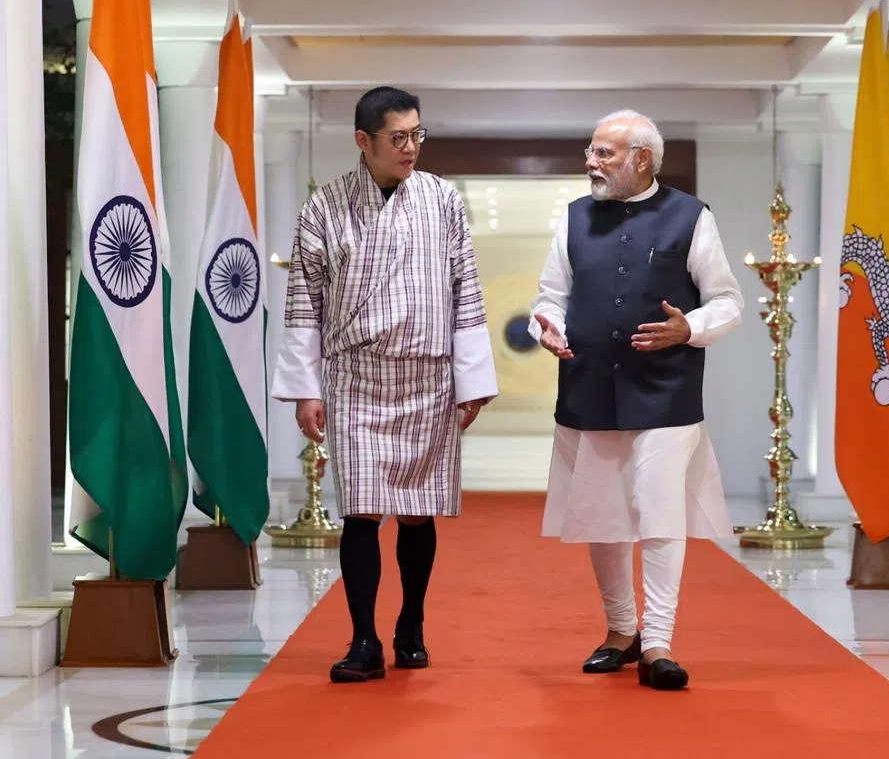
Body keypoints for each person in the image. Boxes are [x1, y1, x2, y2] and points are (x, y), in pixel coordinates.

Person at [272, 86, 499, 683]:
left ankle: (412, 623)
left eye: (417, 135)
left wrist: (471, 379)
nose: (410, 148)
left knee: (419, 514)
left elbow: (466, 289)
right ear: (363, 142)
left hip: (427, 373)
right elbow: (304, 302)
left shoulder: (443, 199)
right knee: (362, 512)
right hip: (357, 375)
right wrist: (306, 387)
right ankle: (363, 639)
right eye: (398, 138)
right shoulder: (324, 207)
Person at [529, 110, 744, 691]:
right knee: (603, 512)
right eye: (591, 151)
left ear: (642, 158)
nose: (590, 163)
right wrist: (545, 326)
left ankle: (658, 643)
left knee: (658, 510)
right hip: (588, 384)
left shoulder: (690, 217)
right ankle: (619, 632)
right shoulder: (574, 218)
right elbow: (549, 296)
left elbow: (727, 301)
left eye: (604, 154)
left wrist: (688, 328)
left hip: (665, 391)